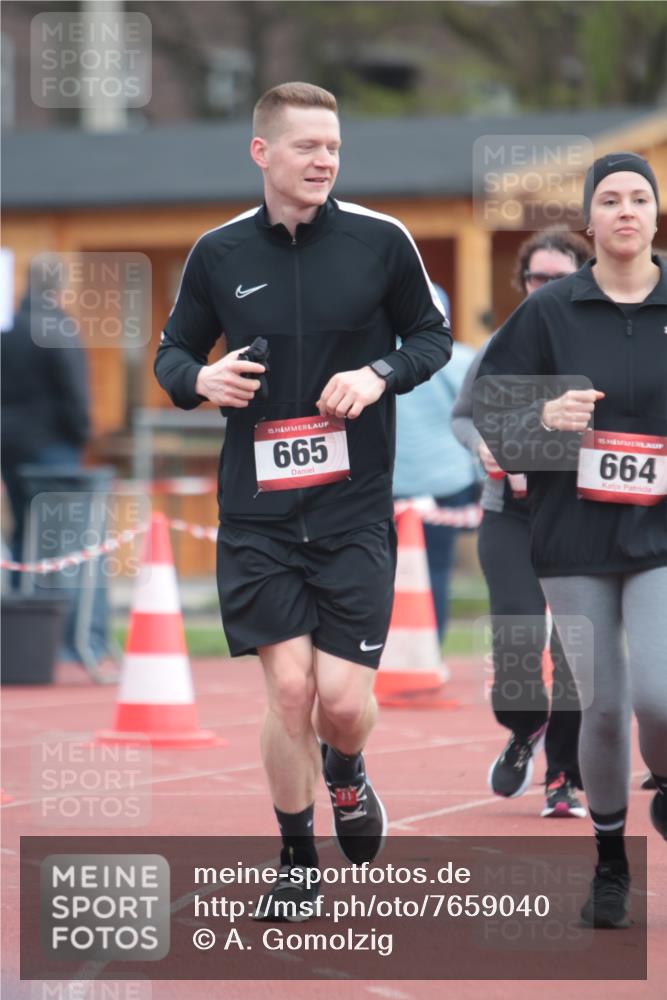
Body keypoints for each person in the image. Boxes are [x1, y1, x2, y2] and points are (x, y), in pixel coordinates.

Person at [154, 82, 452, 917]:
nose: (324, 159)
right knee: (288, 694)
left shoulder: (380, 242)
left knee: (343, 704)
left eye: (332, 147)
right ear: (262, 153)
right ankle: (296, 857)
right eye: (306, 146)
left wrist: (376, 372)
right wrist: (200, 379)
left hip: (353, 506)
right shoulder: (216, 254)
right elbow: (172, 353)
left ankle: (347, 772)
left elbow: (431, 336)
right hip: (257, 516)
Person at [474, 153, 666, 929]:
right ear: (590, 223)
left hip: (659, 533)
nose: (624, 210)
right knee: (602, 706)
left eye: (639, 199)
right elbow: (490, 418)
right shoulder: (549, 312)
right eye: (609, 200)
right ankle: (611, 863)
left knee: (657, 692)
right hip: (573, 536)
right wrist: (541, 420)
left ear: (655, 217)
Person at [452, 229, 591, 819]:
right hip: (510, 515)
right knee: (515, 644)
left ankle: (564, 776)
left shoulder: (600, 342)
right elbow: (464, 415)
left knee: (574, 655)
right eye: (538, 278)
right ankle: (524, 725)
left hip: (583, 517)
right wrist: (483, 444)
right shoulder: (505, 343)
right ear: (523, 282)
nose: (547, 288)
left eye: (561, 278)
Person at [393, 284, 479, 647]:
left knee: (384, 574)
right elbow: (477, 420)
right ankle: (431, 652)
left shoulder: (375, 361)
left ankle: (384, 655)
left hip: (390, 481)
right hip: (446, 478)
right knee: (437, 569)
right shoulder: (459, 359)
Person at [1, 258, 90, 568]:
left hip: (10, 445)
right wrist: (81, 434)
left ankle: (19, 606)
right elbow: (74, 391)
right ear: (61, 287)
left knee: (23, 527)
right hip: (54, 445)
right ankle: (56, 610)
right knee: (60, 537)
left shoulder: (8, 329)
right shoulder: (58, 328)